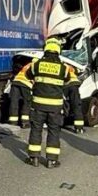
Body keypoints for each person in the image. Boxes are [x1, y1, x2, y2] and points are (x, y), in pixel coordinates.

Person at [23, 37, 80, 169]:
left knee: (36, 130)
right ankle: (51, 160)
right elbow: (67, 80)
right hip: (55, 107)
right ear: (58, 51)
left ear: (45, 49)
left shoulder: (37, 65)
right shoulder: (63, 68)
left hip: (38, 105)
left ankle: (34, 158)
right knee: (54, 131)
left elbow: (28, 75)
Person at [5, 59, 34, 126]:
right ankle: (25, 122)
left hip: (16, 82)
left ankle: (13, 122)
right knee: (27, 102)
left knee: (14, 102)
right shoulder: (36, 65)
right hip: (26, 84)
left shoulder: (27, 64)